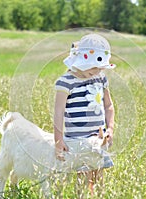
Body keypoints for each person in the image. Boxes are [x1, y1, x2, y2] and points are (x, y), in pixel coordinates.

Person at [54, 33, 115, 198]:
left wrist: (110, 128)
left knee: (98, 176)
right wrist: (58, 140)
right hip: (77, 140)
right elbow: (58, 111)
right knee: (82, 178)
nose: (97, 71)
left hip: (99, 137)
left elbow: (108, 105)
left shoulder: (100, 78)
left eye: (100, 67)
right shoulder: (66, 81)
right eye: (93, 67)